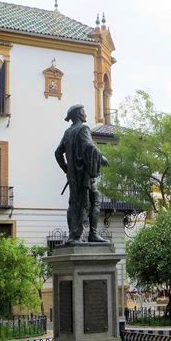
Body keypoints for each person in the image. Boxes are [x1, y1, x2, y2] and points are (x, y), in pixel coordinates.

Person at [55, 104, 109, 243]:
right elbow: (89, 146)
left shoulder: (68, 132)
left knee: (74, 203)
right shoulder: (83, 128)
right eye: (84, 112)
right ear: (79, 114)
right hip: (84, 176)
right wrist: (101, 157)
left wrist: (66, 169)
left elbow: (58, 153)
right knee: (94, 200)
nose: (86, 114)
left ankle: (74, 235)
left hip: (73, 177)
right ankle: (92, 234)